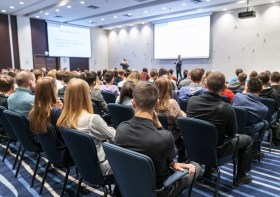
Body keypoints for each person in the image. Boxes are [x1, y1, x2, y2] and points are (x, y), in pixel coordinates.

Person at [114, 81, 201, 196]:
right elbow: (171, 156)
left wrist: (172, 164)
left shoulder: (121, 129)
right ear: (156, 104)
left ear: (133, 103)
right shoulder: (164, 136)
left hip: (129, 184)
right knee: (197, 167)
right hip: (159, 190)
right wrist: (159, 125)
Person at [187, 71, 253, 185]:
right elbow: (232, 133)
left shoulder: (192, 101)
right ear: (224, 88)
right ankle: (241, 176)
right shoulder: (227, 108)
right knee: (248, 140)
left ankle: (209, 169)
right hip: (217, 151)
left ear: (206, 85)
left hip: (194, 148)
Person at [57, 78, 115, 176]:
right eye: (89, 91)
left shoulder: (64, 118)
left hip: (82, 165)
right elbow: (115, 136)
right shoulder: (92, 120)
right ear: (85, 96)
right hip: (102, 167)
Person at [155, 76, 187, 162]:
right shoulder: (172, 103)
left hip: (156, 135)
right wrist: (184, 114)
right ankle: (182, 159)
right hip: (173, 137)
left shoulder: (152, 102)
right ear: (169, 88)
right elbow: (180, 123)